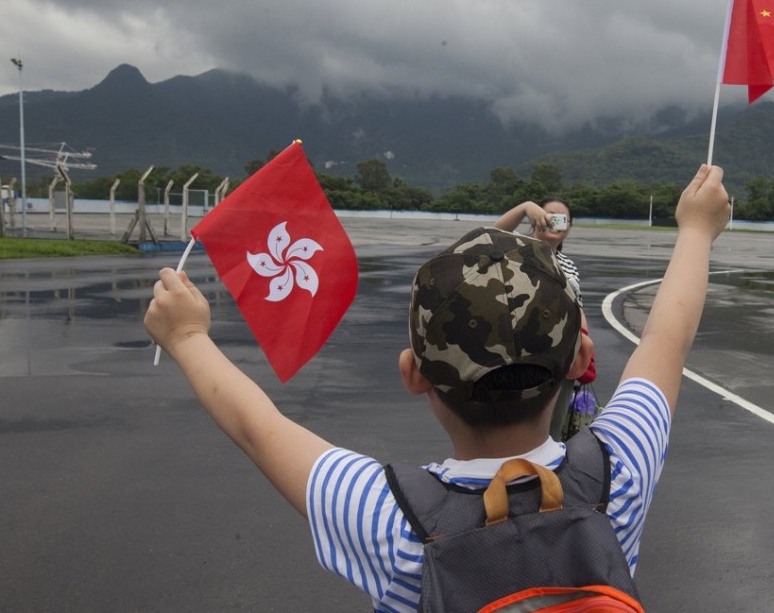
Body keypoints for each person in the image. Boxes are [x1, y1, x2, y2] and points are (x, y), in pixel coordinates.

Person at [143, 164, 730, 612]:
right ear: (581, 358)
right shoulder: (616, 476)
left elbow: (257, 427)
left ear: (412, 372)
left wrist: (189, 337)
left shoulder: (393, 521)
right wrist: (697, 229)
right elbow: (664, 343)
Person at [495, 197, 590, 438]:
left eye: (560, 219)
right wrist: (525, 207)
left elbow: (578, 306)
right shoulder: (517, 249)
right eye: (547, 215)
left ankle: (548, 473)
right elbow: (494, 232)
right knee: (511, 424)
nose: (552, 222)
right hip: (520, 355)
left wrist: (586, 350)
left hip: (561, 357)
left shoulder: (568, 265)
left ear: (568, 228)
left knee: (552, 429)